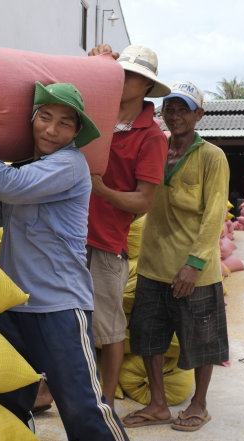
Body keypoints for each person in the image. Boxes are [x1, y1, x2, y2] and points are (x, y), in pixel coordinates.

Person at [0, 82, 129, 441]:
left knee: (83, 410)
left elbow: (10, 187)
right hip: (15, 307)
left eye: (65, 124)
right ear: (32, 119)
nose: (51, 130)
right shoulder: (25, 167)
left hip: (59, 308)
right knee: (4, 403)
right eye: (45, 118)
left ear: (76, 133)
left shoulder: (69, 164)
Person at [124, 81, 229, 432]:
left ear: (199, 114)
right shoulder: (156, 148)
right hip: (154, 266)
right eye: (170, 107)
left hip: (194, 271)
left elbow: (215, 214)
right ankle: (158, 404)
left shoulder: (212, 157)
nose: (176, 114)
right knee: (149, 337)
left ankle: (199, 405)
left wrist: (194, 264)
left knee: (201, 341)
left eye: (184, 108)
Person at [86, 44, 170, 406]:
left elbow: (144, 200)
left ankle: (106, 399)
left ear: (148, 87)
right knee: (69, 323)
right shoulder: (98, 114)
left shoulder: (151, 137)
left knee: (109, 328)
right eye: (121, 72)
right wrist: (96, 61)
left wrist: (102, 190)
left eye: (133, 76)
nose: (124, 80)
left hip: (106, 242)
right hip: (68, 236)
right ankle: (69, 388)